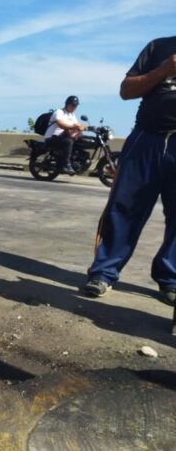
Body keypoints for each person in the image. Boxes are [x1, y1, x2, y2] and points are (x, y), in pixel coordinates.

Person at [85, 36, 176, 312]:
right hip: (146, 138)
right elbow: (126, 90)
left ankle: (170, 278)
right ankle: (104, 272)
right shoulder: (158, 47)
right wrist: (164, 70)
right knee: (124, 208)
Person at [44, 95, 87, 175]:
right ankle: (66, 164)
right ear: (67, 104)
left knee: (82, 139)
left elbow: (77, 124)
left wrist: (85, 127)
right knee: (69, 142)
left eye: (76, 105)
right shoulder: (59, 112)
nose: (74, 107)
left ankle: (76, 161)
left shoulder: (72, 115)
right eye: (73, 105)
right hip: (52, 137)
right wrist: (74, 126)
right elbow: (61, 124)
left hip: (63, 136)